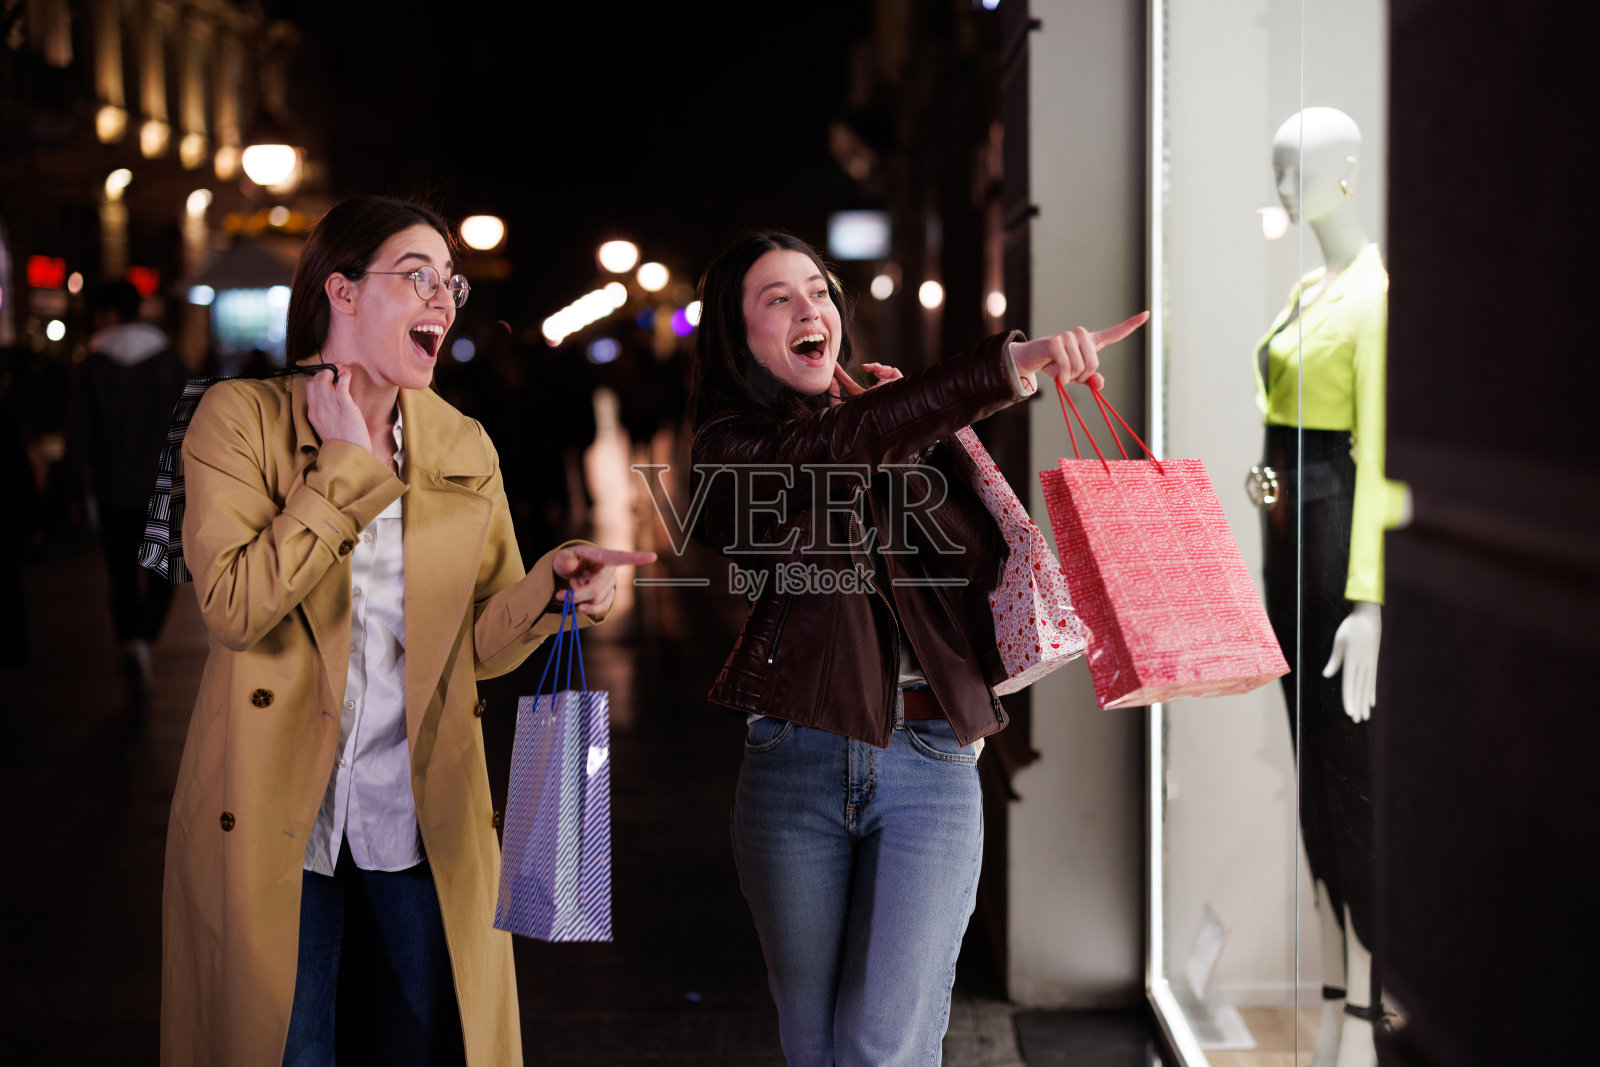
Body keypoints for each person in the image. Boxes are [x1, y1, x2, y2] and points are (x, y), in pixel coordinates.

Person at [159, 195, 654, 1067]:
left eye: (450, 281)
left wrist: (553, 587)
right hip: (276, 808)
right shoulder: (238, 420)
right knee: (286, 1046)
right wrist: (343, 473)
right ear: (342, 291)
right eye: (416, 276)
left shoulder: (462, 442)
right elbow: (234, 605)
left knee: (430, 1045)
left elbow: (478, 645)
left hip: (420, 812)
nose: (444, 299)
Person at [687, 232, 1145, 1066]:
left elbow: (977, 565)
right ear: (738, 336)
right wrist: (989, 375)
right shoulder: (729, 450)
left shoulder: (889, 425)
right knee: (815, 1041)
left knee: (882, 1045)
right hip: (795, 762)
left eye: (819, 291)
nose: (808, 309)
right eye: (776, 299)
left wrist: (920, 435)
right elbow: (816, 459)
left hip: (929, 759)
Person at [1253, 107, 1408, 1067]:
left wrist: (1369, 600)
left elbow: (1380, 453)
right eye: (1276, 170)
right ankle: (1340, 970)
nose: (1283, 189)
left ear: (1347, 172)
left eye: (1298, 169)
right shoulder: (1313, 286)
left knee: (1349, 767)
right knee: (1309, 758)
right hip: (1287, 538)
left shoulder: (1378, 297)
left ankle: (1372, 986)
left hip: (1334, 538)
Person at [61, 279, 188, 704]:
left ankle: (130, 638)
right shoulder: (169, 361)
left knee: (119, 573)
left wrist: (74, 490)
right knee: (161, 570)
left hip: (113, 489)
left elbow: (78, 433)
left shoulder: (94, 365)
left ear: (110, 313)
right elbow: (191, 424)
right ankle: (143, 640)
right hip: (163, 487)